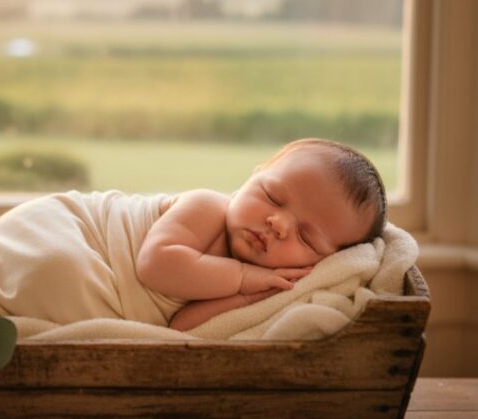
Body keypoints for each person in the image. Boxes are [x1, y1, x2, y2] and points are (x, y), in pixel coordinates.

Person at [135, 137, 387, 331]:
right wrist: (243, 277)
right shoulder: (208, 208)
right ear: (254, 175)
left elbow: (181, 327)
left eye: (305, 237)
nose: (278, 224)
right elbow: (154, 264)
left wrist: (248, 298)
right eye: (272, 197)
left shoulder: (259, 282)